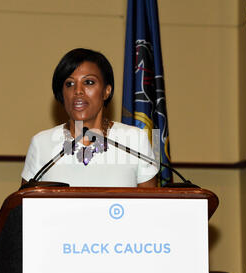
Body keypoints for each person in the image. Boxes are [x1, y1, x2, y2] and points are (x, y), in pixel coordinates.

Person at [21, 48, 158, 187]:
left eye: (89, 82)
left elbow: (151, 206)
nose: (78, 91)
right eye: (69, 84)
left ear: (106, 91)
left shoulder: (135, 140)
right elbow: (23, 204)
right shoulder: (41, 143)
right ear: (62, 94)